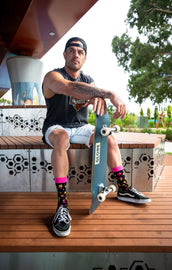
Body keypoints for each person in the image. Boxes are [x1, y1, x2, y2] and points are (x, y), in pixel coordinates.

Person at [42, 37, 151, 237]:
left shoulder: (88, 80)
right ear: (65, 54)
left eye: (80, 52)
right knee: (62, 138)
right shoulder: (52, 76)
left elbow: (92, 94)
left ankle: (124, 188)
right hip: (56, 127)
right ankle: (62, 205)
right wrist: (110, 94)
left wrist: (99, 98)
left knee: (107, 136)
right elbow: (69, 88)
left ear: (84, 58)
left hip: (81, 127)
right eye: (72, 50)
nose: (76, 54)